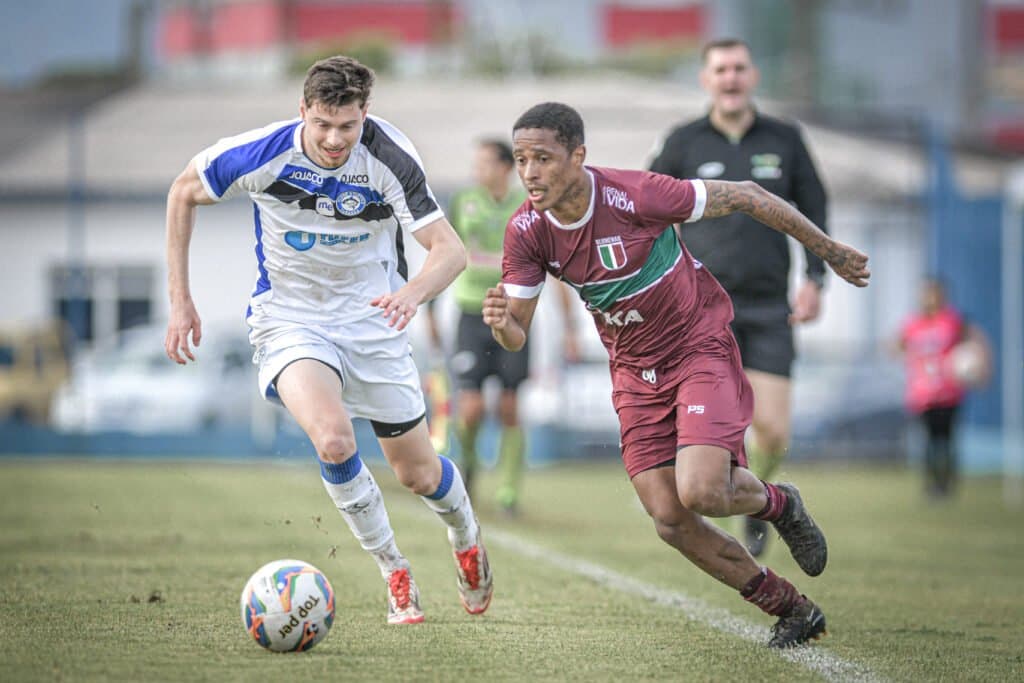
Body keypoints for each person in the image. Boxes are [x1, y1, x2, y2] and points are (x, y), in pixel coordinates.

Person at [485, 102, 869, 648]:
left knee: (701, 490)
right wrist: (502, 325)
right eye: (522, 159)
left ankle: (778, 503)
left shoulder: (637, 195)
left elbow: (749, 196)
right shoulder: (526, 230)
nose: (528, 173)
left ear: (578, 156)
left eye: (542, 159)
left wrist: (827, 252)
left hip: (697, 347)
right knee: (668, 517)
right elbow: (516, 332)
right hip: (633, 372)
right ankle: (791, 609)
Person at [164, 55, 492, 625]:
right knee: (335, 442)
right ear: (303, 112)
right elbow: (182, 192)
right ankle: (394, 570)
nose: (335, 139)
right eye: (323, 125)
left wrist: (412, 294)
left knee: (417, 475)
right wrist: (180, 300)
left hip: (374, 320)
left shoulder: (390, 155)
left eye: (348, 125)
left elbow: (451, 252)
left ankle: (465, 537)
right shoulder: (260, 153)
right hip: (290, 319)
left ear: (366, 113)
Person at [649, 38, 829, 557]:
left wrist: (815, 278)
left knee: (772, 433)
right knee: (717, 427)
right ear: (705, 79)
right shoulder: (683, 141)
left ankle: (761, 500)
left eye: (739, 68)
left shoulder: (786, 138)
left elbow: (815, 209)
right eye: (720, 69)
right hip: (700, 312)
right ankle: (753, 500)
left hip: (771, 305)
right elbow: (652, 212)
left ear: (753, 76)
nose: (730, 77)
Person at [425, 139, 579, 515]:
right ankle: (471, 470)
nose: (477, 170)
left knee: (509, 408)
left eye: (484, 163)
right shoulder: (464, 202)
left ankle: (509, 492)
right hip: (470, 315)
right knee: (472, 408)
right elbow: (442, 252)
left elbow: (554, 267)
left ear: (505, 168)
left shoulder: (529, 208)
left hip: (515, 315)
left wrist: (571, 326)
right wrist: (429, 310)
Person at [897, 277, 989, 497]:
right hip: (922, 394)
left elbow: (977, 340)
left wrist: (980, 365)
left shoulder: (953, 320)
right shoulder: (913, 323)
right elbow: (898, 345)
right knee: (928, 441)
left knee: (946, 440)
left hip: (948, 393)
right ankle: (931, 485)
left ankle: (947, 484)